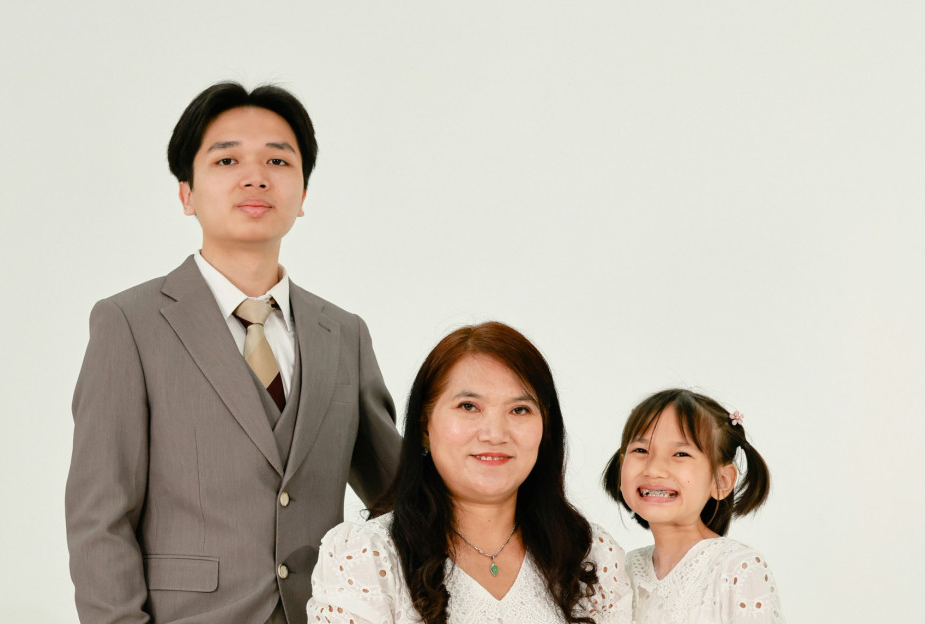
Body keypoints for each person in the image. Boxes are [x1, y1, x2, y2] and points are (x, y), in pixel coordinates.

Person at [65, 81, 402, 624]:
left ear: (303, 193)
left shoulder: (344, 333)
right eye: (226, 160)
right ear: (186, 193)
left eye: (277, 160)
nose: (255, 176)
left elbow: (401, 496)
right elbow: (100, 519)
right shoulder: (128, 324)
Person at [307, 322, 631, 624]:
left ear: (545, 429)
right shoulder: (367, 557)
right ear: (424, 426)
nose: (494, 433)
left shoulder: (594, 556)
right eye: (468, 406)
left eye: (519, 410)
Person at [601, 388, 784, 623]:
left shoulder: (737, 568)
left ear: (722, 481)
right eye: (641, 450)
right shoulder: (621, 571)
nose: (654, 469)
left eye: (680, 454)